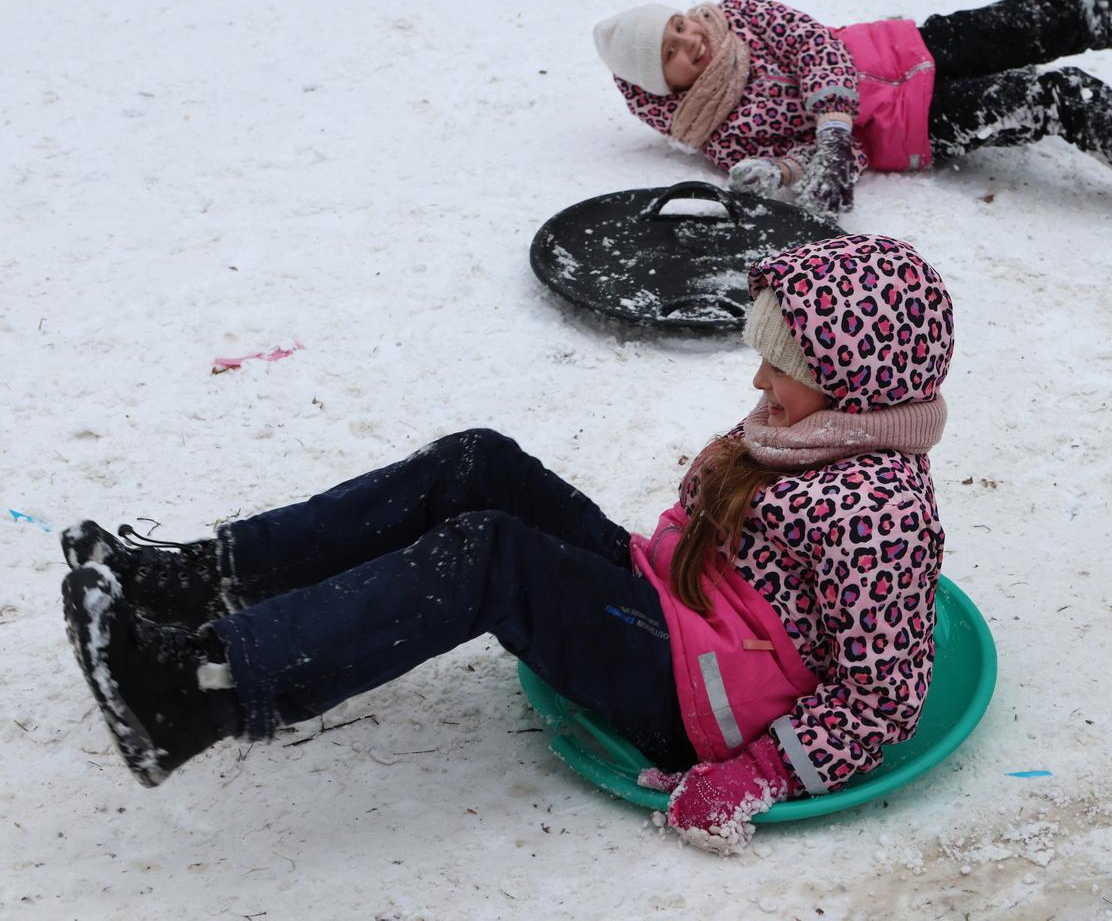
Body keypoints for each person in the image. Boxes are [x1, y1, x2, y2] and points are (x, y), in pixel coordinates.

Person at [59, 233, 954, 856]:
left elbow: (883, 697)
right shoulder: (808, 426)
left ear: (857, 382)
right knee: (474, 463)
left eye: (785, 363)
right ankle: (201, 584)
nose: (759, 377)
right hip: (674, 605)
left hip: (702, 699)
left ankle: (198, 692)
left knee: (488, 556)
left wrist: (755, 775)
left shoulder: (881, 514)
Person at [592, 0, 1112, 219]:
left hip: (917, 45)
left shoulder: (740, 14)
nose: (692, 43)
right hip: (919, 125)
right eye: (672, 55)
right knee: (1059, 97)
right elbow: (800, 159)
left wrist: (832, 129)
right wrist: (786, 172)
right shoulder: (716, 133)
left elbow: (814, 46)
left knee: (1061, 10)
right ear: (666, 85)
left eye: (680, 27)